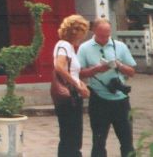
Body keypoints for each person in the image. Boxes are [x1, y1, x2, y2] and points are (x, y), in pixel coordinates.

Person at [77, 18, 136, 157]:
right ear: (94, 31)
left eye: (107, 35)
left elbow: (132, 71)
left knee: (127, 140)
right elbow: (78, 72)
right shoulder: (84, 48)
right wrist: (96, 70)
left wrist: (119, 65)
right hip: (98, 99)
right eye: (101, 35)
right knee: (98, 141)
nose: (105, 38)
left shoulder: (120, 46)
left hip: (121, 99)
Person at [52, 14, 91, 157]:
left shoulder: (69, 48)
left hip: (73, 93)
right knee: (71, 134)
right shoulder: (65, 45)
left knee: (71, 134)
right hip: (69, 94)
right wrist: (78, 85)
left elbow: (72, 72)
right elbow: (59, 67)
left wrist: (80, 84)